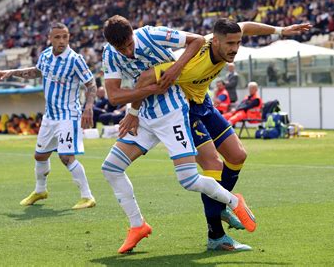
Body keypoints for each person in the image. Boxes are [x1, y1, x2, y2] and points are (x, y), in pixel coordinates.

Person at [121, 18, 311, 251]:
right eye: (230, 44)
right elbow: (145, 78)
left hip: (204, 103)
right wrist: (133, 111)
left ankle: (221, 204)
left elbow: (247, 26)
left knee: (238, 156)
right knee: (213, 164)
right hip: (184, 111)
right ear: (216, 42)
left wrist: (281, 30)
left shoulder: (224, 40)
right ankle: (216, 236)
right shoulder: (192, 63)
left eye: (238, 43)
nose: (234, 48)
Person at [100, 15, 256, 254]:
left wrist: (174, 69)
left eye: (130, 44)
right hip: (144, 115)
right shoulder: (109, 54)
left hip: (172, 112)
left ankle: (234, 202)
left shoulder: (152, 34)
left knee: (189, 180)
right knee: (110, 168)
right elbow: (113, 96)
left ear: (133, 33)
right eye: (123, 49)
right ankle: (137, 225)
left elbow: (195, 41)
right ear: (112, 46)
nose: (129, 51)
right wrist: (138, 103)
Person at [0, 22, 97, 210]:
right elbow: (36, 72)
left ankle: (87, 196)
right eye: (57, 37)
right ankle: (40, 191)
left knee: (66, 157)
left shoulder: (75, 59)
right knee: (40, 156)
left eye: (65, 36)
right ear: (50, 38)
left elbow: (91, 84)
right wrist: (11, 72)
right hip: (50, 116)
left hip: (68, 115)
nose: (62, 41)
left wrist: (88, 108)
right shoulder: (46, 55)